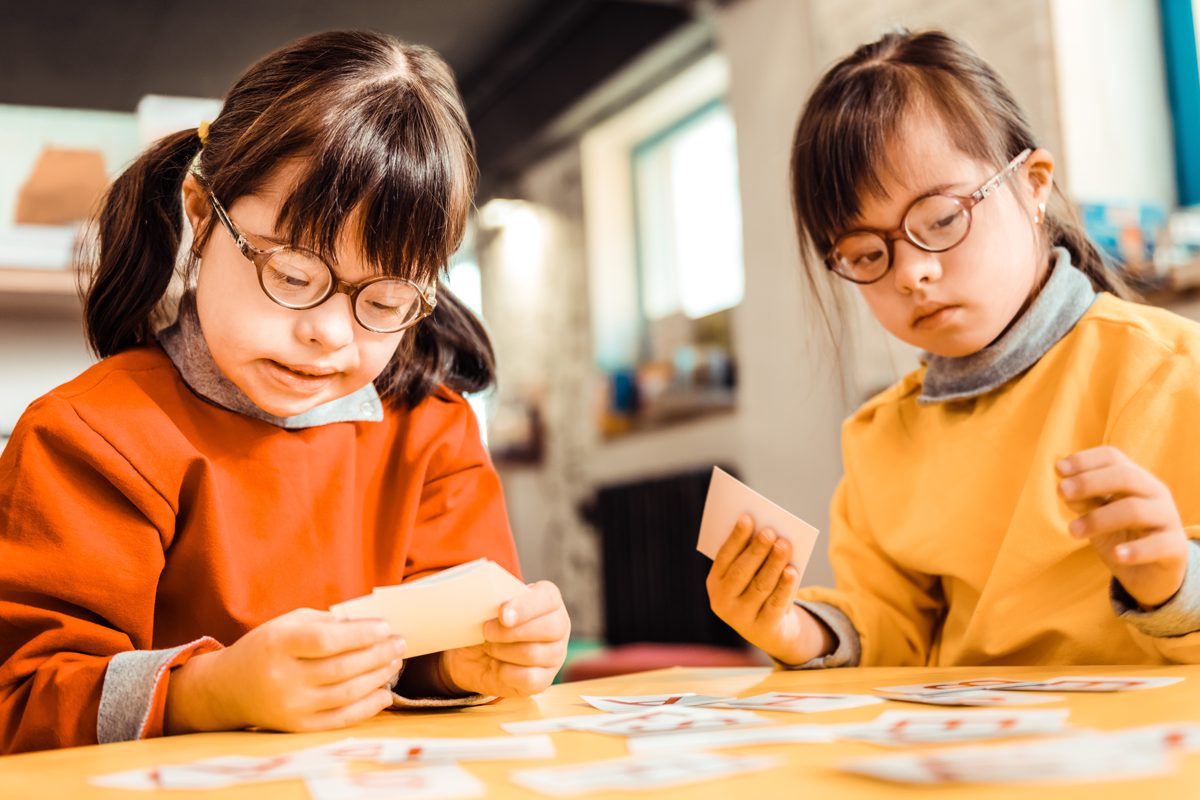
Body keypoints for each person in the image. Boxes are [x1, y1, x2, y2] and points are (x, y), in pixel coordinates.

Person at [0, 30, 570, 754]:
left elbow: (438, 647)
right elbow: (20, 698)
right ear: (202, 214)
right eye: (294, 276)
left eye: (386, 301)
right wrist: (214, 691)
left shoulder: (432, 428)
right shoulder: (90, 435)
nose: (330, 334)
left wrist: (471, 661)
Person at [707, 29, 1200, 669]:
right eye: (865, 254)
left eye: (941, 219)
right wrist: (794, 629)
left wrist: (1172, 579)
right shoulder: (882, 437)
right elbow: (891, 630)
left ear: (1033, 186)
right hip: (968, 751)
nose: (911, 273)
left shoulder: (1167, 370)